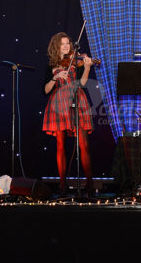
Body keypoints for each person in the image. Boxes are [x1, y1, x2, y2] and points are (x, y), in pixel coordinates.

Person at [42, 32, 95, 197]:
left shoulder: (76, 62)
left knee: (84, 145)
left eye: (68, 43)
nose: (66, 46)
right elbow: (45, 90)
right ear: (56, 47)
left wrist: (86, 67)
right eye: (62, 44)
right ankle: (62, 185)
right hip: (58, 103)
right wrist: (55, 77)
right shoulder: (51, 65)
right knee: (60, 146)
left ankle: (90, 185)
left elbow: (84, 83)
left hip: (77, 100)